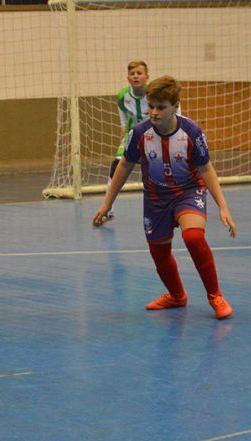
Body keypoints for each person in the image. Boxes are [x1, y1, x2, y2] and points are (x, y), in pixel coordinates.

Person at [93, 75, 236, 319]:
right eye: (151, 106)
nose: (155, 112)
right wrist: (107, 203)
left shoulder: (192, 132)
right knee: (159, 251)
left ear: (175, 107)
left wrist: (223, 206)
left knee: (193, 237)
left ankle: (216, 296)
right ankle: (177, 295)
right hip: (156, 197)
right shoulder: (139, 133)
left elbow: (206, 169)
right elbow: (125, 165)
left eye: (161, 107)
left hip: (188, 192)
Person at [105, 60, 151, 221]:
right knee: (115, 167)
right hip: (131, 137)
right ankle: (108, 208)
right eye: (132, 74)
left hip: (151, 137)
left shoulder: (153, 94)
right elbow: (124, 121)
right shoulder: (122, 96)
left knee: (153, 171)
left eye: (139, 73)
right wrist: (123, 137)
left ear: (147, 77)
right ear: (128, 78)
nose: (136, 76)